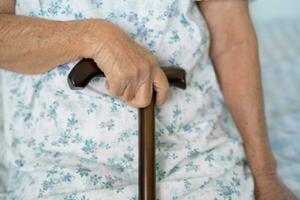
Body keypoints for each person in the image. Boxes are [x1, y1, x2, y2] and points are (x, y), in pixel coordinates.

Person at [0, 0, 298, 199]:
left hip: (197, 154)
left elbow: (231, 36)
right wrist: (90, 37)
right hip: (60, 166)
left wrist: (264, 173)